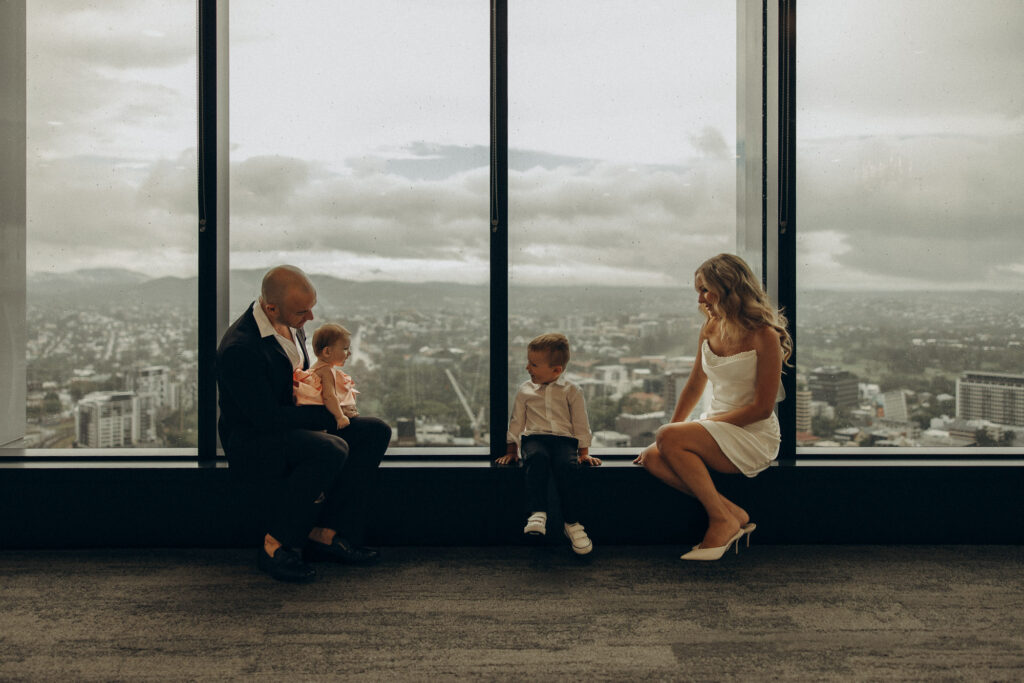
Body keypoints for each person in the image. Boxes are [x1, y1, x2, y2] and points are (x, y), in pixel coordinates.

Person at [216, 265, 392, 583]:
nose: (311, 318)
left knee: (374, 432)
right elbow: (264, 418)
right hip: (253, 440)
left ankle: (324, 534)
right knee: (331, 447)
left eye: (311, 308)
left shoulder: (289, 322)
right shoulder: (240, 348)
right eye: (303, 311)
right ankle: (275, 544)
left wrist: (337, 403)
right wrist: (329, 417)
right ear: (271, 307)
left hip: (289, 423)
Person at [634, 253, 792, 561]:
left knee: (667, 439)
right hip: (716, 425)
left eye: (705, 289)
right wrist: (667, 436)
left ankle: (720, 521)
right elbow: (695, 385)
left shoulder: (764, 336)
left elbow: (761, 408)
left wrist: (687, 430)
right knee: (654, 457)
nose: (700, 298)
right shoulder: (710, 328)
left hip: (753, 434)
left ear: (729, 287)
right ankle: (732, 514)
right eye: (698, 290)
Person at [496, 333, 601, 555]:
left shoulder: (572, 391)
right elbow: (517, 421)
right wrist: (511, 449)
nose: (527, 368)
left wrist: (583, 453)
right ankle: (537, 513)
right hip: (534, 438)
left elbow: (581, 423)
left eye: (533, 364)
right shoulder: (525, 390)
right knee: (536, 458)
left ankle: (572, 524)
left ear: (556, 370)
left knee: (567, 466)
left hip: (564, 440)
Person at [292, 322, 359, 431]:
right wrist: (340, 416)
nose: (349, 353)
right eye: (345, 349)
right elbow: (329, 397)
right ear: (327, 351)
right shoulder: (326, 371)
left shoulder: (315, 368)